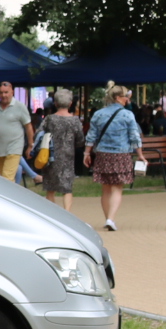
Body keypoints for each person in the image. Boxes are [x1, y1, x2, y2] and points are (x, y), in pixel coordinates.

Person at [84, 84, 141, 231]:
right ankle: (111, 218)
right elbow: (134, 137)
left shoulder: (98, 114)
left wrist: (87, 153)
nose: (127, 99)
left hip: (103, 153)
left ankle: (107, 218)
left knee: (106, 188)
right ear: (117, 98)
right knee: (117, 188)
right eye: (125, 96)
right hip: (121, 154)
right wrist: (140, 155)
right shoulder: (128, 115)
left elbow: (91, 135)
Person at [39, 89, 84, 212]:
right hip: (68, 156)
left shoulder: (49, 119)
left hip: (50, 156)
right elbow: (80, 140)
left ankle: (52, 214)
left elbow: (39, 133)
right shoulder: (75, 121)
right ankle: (67, 214)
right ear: (70, 103)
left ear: (56, 103)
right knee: (67, 189)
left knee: (50, 188)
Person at [0, 79, 35, 184]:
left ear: (12, 92)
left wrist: (30, 145)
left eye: (6, 92)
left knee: (7, 178)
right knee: (3, 177)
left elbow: (28, 126)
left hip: (14, 147)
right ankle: (12, 197)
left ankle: (5, 199)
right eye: (1, 93)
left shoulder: (20, 106)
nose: (4, 95)